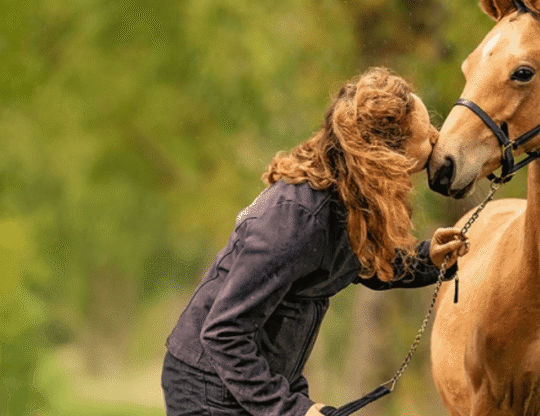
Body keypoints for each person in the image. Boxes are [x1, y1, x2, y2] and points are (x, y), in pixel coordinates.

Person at [162, 67, 469, 416]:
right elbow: (223, 333)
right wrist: (292, 410)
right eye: (426, 134)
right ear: (385, 154)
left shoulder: (349, 199)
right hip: (210, 388)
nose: (437, 137)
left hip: (265, 378)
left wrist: (429, 258)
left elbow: (364, 265)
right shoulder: (295, 220)